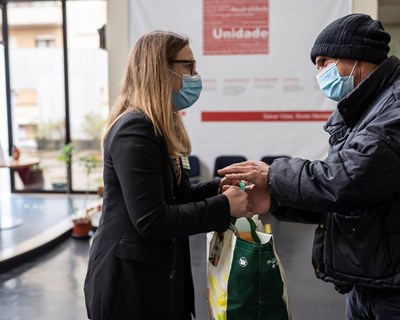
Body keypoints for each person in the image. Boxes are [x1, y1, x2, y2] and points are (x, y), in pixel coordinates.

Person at [218, 13, 400, 319]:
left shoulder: (393, 108)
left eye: (324, 62)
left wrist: (272, 174)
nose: (319, 72)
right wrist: (276, 198)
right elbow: (350, 199)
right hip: (372, 280)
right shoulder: (363, 111)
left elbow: (345, 181)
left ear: (357, 57)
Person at [84, 30, 254, 320]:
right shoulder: (134, 129)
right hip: (129, 285)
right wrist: (225, 207)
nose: (195, 74)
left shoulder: (162, 126)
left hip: (156, 276)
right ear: (160, 69)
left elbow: (177, 197)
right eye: (188, 65)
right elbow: (152, 220)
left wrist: (220, 188)